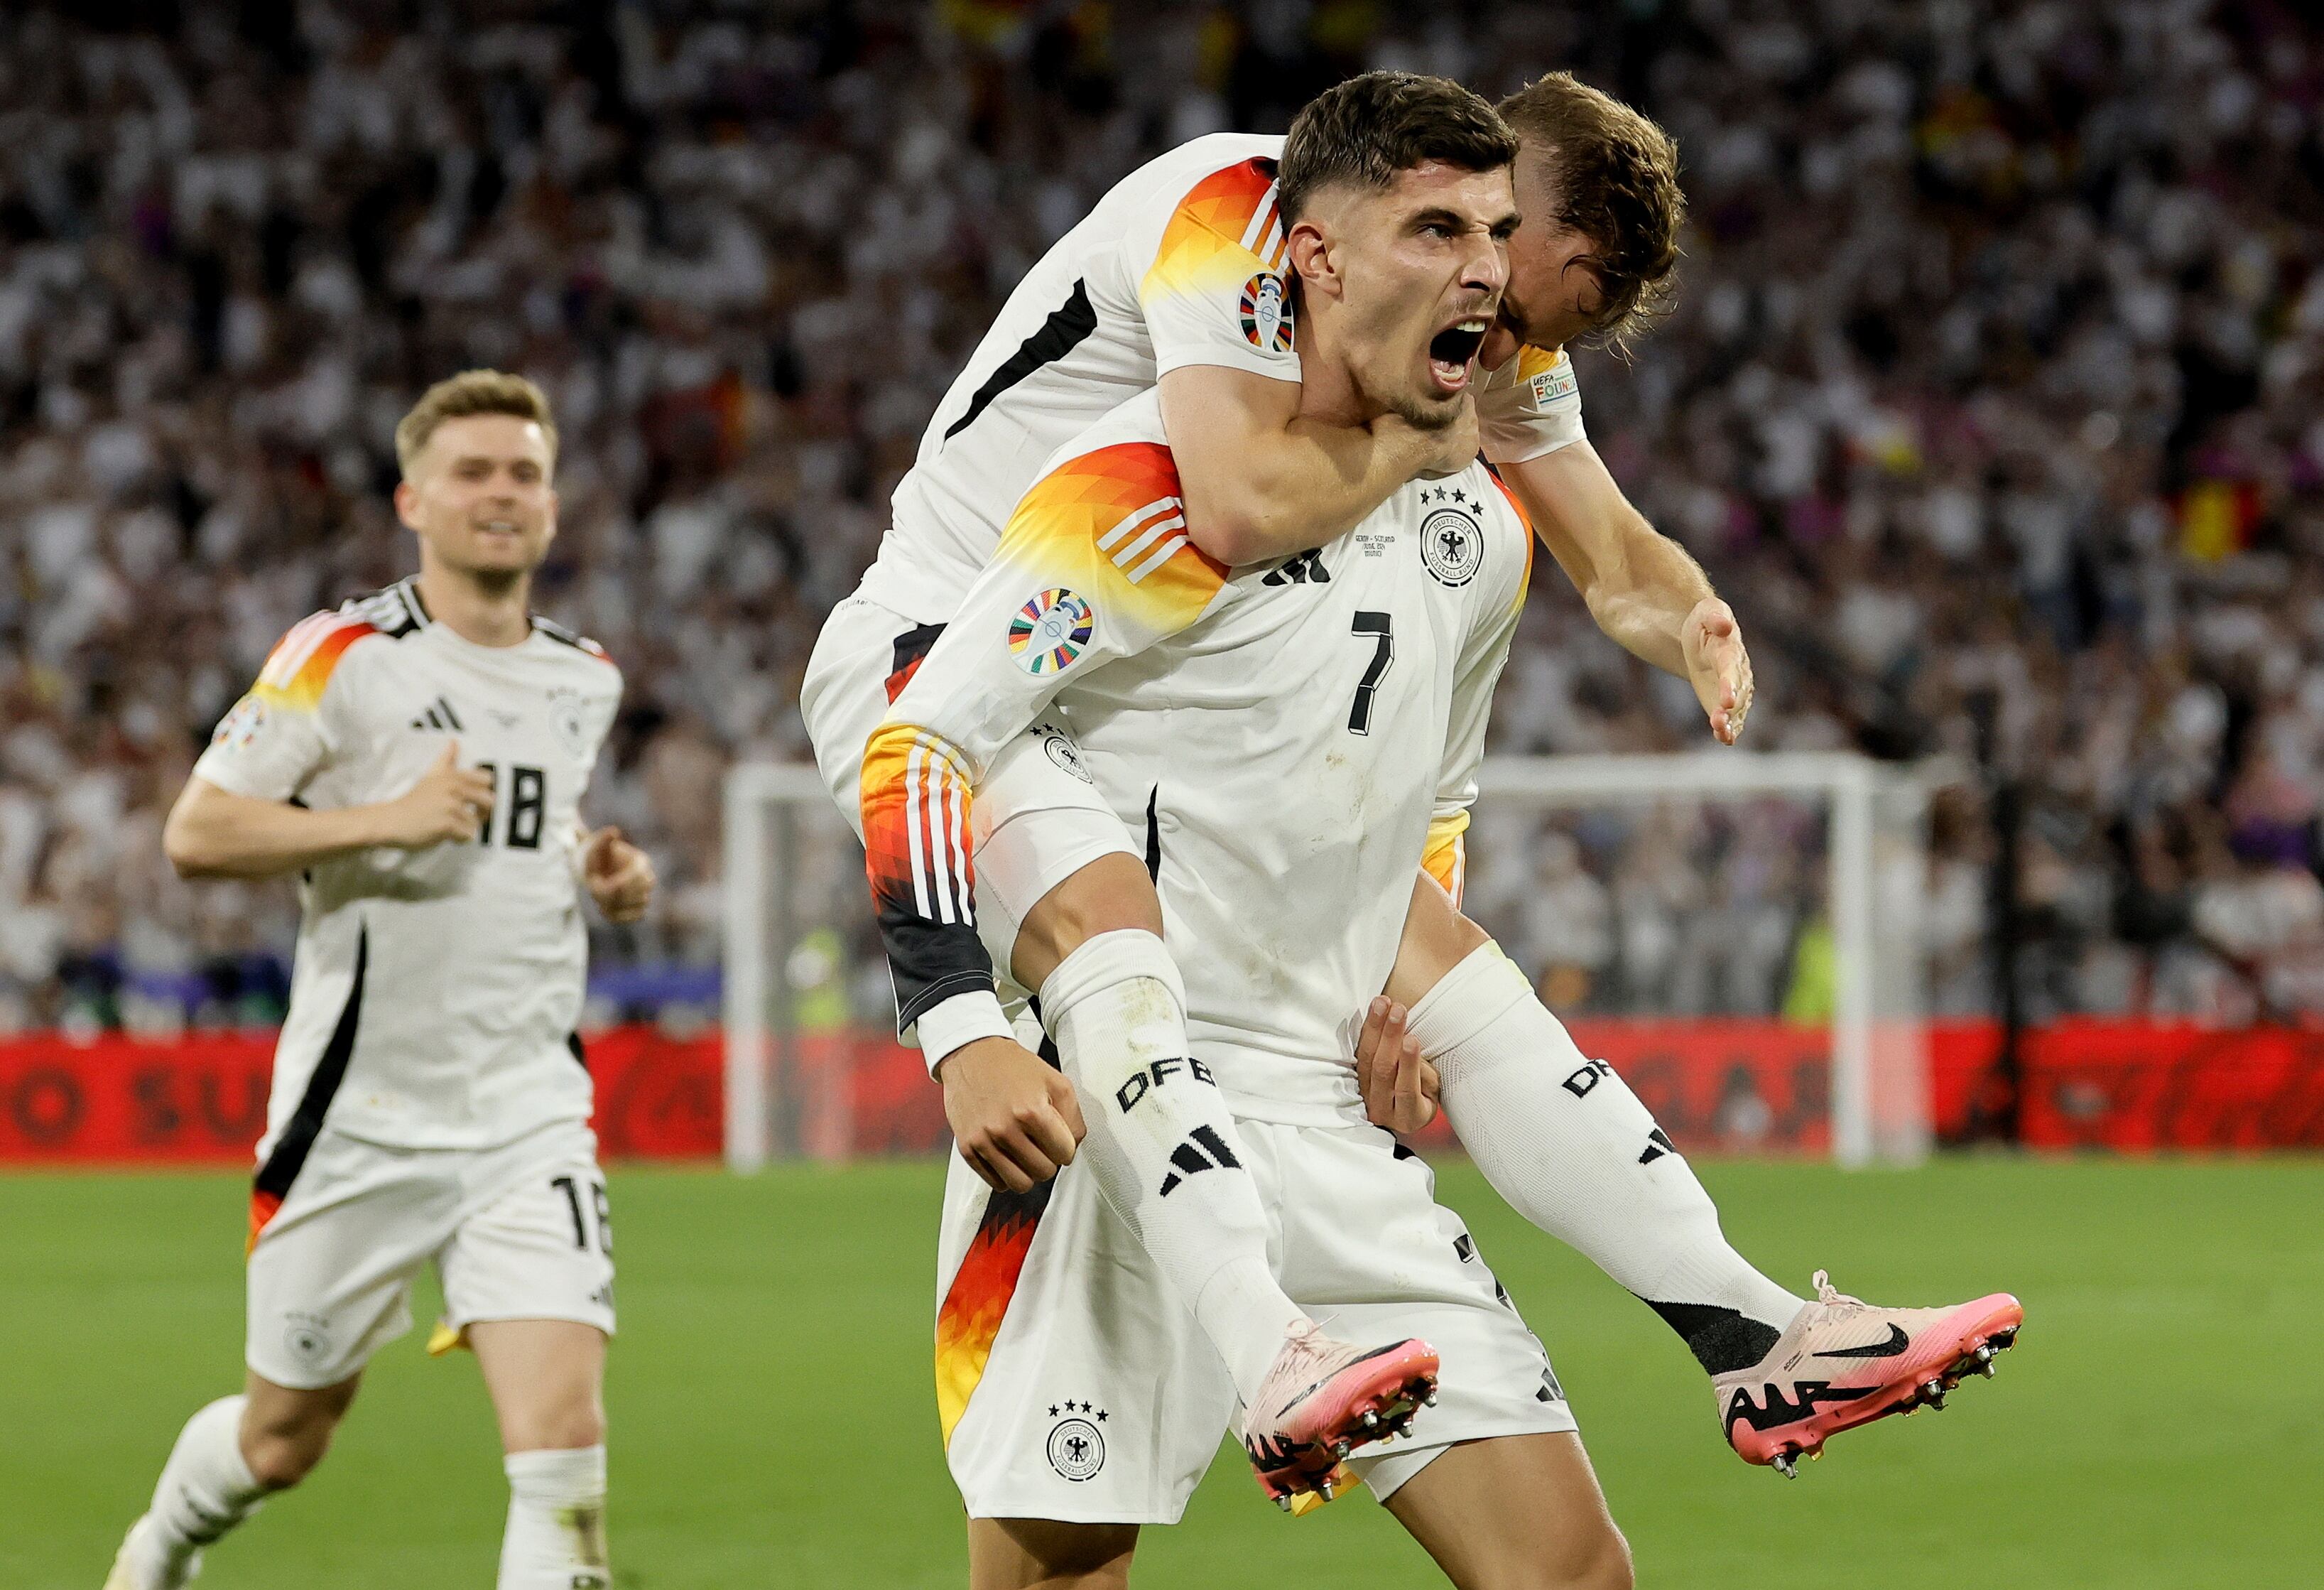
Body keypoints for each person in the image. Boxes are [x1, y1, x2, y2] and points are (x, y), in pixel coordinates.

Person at [802, 72, 1526, 1498]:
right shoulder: (1217, 243)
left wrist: (1387, 992)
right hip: (945, 659)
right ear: (1322, 244)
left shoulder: (1448, 445)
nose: (1493, 282)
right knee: (1106, 936)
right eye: (1451, 232)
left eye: (1499, 240)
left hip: (1160, 841)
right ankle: (1267, 1345)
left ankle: (1738, 1317)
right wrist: (959, 1031)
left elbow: (1423, 782)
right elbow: (1231, 510)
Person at [104, 372, 653, 1590]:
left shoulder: (583, 678)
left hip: (527, 1112)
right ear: (414, 499)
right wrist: (380, 820)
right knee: (281, 1440)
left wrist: (596, 870)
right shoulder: (342, 654)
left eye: (523, 472)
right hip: (358, 1118)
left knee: (562, 1451)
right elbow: (198, 831)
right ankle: (160, 1547)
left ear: (554, 505)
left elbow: (530, 826)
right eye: (473, 472)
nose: (500, 494)